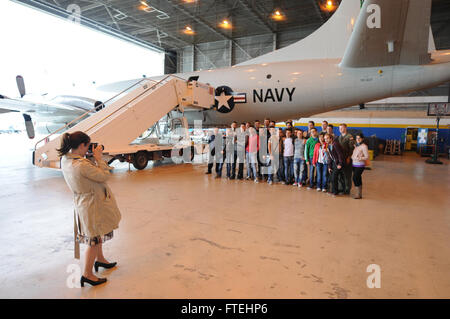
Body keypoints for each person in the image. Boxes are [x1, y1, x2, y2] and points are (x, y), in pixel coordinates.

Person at [57, 131, 121, 287]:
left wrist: (91, 159)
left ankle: (100, 260)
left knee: (97, 233)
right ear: (80, 146)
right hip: (92, 204)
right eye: (87, 146)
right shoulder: (82, 165)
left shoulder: (66, 159)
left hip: (83, 202)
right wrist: (99, 160)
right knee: (93, 240)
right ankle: (87, 274)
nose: (88, 149)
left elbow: (86, 173)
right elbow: (104, 176)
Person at [338, 124, 355, 195]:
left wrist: (349, 157)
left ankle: (347, 189)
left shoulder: (349, 137)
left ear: (345, 128)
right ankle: (342, 188)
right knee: (341, 174)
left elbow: (352, 148)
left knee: (347, 175)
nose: (340, 129)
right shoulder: (339, 137)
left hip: (347, 158)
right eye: (339, 128)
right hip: (341, 159)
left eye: (342, 128)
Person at [351, 133, 369, 199]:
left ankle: (358, 194)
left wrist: (359, 158)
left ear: (362, 139)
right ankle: (359, 194)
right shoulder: (356, 145)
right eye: (357, 138)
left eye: (359, 138)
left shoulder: (364, 146)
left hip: (360, 165)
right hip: (354, 164)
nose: (358, 139)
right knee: (358, 178)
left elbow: (367, 157)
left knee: (355, 178)